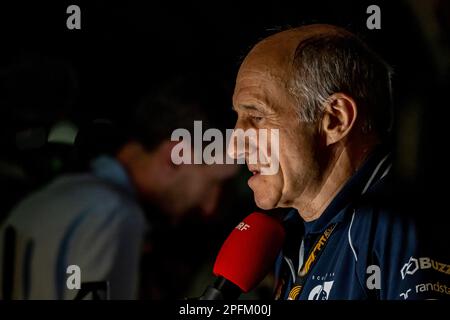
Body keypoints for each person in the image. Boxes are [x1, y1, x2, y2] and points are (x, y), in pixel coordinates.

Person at [229, 24, 449, 300]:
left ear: (335, 119)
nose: (234, 147)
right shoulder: (290, 237)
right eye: (238, 118)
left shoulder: (400, 220)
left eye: (257, 117)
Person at [0, 76, 236, 299]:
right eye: (214, 183)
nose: (210, 206)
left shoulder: (51, 198)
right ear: (176, 157)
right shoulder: (114, 214)